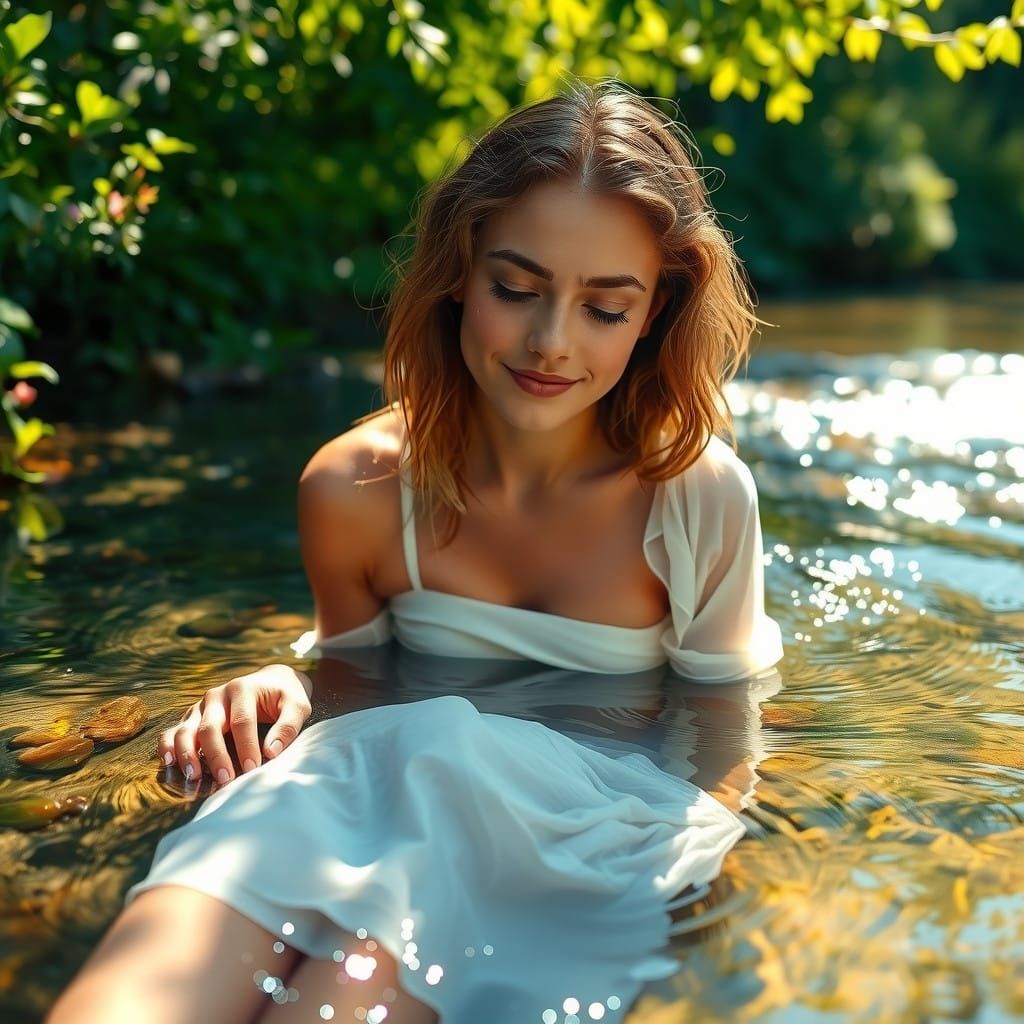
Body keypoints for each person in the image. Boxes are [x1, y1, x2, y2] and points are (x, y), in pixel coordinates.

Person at [46, 76, 784, 1024]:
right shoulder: (352, 486)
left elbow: (723, 735)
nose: (551, 342)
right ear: (458, 271)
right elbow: (356, 689)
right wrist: (287, 684)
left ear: (659, 312)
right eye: (515, 288)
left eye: (606, 308)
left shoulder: (699, 497)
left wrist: (672, 887)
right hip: (357, 779)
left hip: (581, 833)